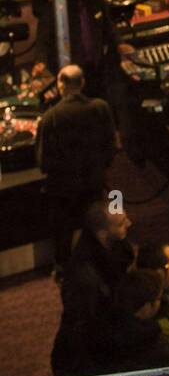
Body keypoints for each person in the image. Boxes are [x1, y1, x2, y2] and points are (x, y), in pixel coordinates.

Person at [35, 63, 119, 275]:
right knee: (99, 222)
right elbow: (112, 146)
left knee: (62, 231)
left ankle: (63, 268)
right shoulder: (101, 107)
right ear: (82, 83)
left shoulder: (50, 117)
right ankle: (106, 262)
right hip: (95, 181)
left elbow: (43, 161)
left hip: (63, 188)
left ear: (60, 86)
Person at [50, 201, 135, 376]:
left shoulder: (113, 246)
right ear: (103, 233)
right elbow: (83, 331)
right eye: (121, 223)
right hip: (85, 360)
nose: (129, 224)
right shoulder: (85, 279)